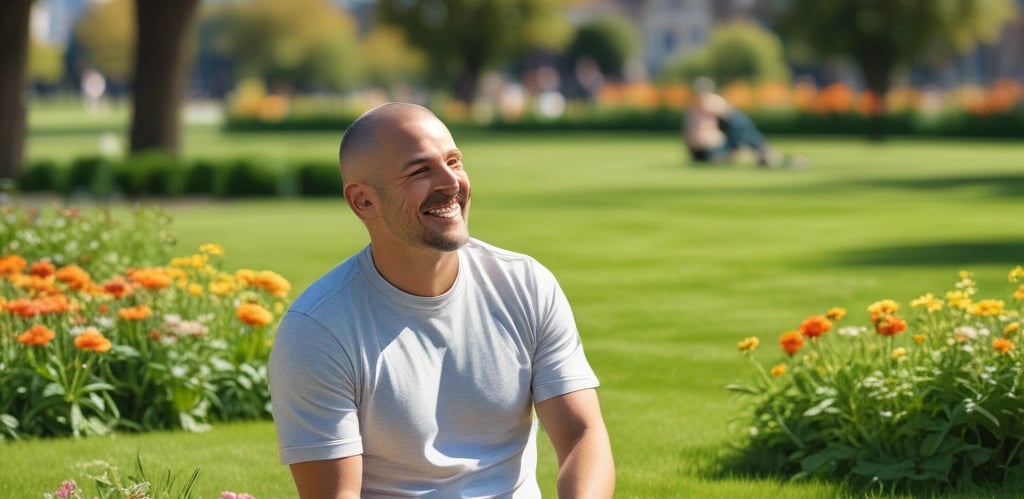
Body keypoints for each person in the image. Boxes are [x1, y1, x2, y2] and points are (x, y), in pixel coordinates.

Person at [268, 102, 615, 498]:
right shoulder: (319, 329)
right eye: (420, 171)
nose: (451, 182)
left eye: (454, 161)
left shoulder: (525, 285)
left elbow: (582, 434)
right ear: (364, 202)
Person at [683, 77, 805, 169]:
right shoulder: (707, 104)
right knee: (740, 125)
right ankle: (763, 151)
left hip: (702, 151)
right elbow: (730, 117)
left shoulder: (694, 108)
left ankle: (763, 152)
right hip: (709, 149)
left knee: (740, 129)